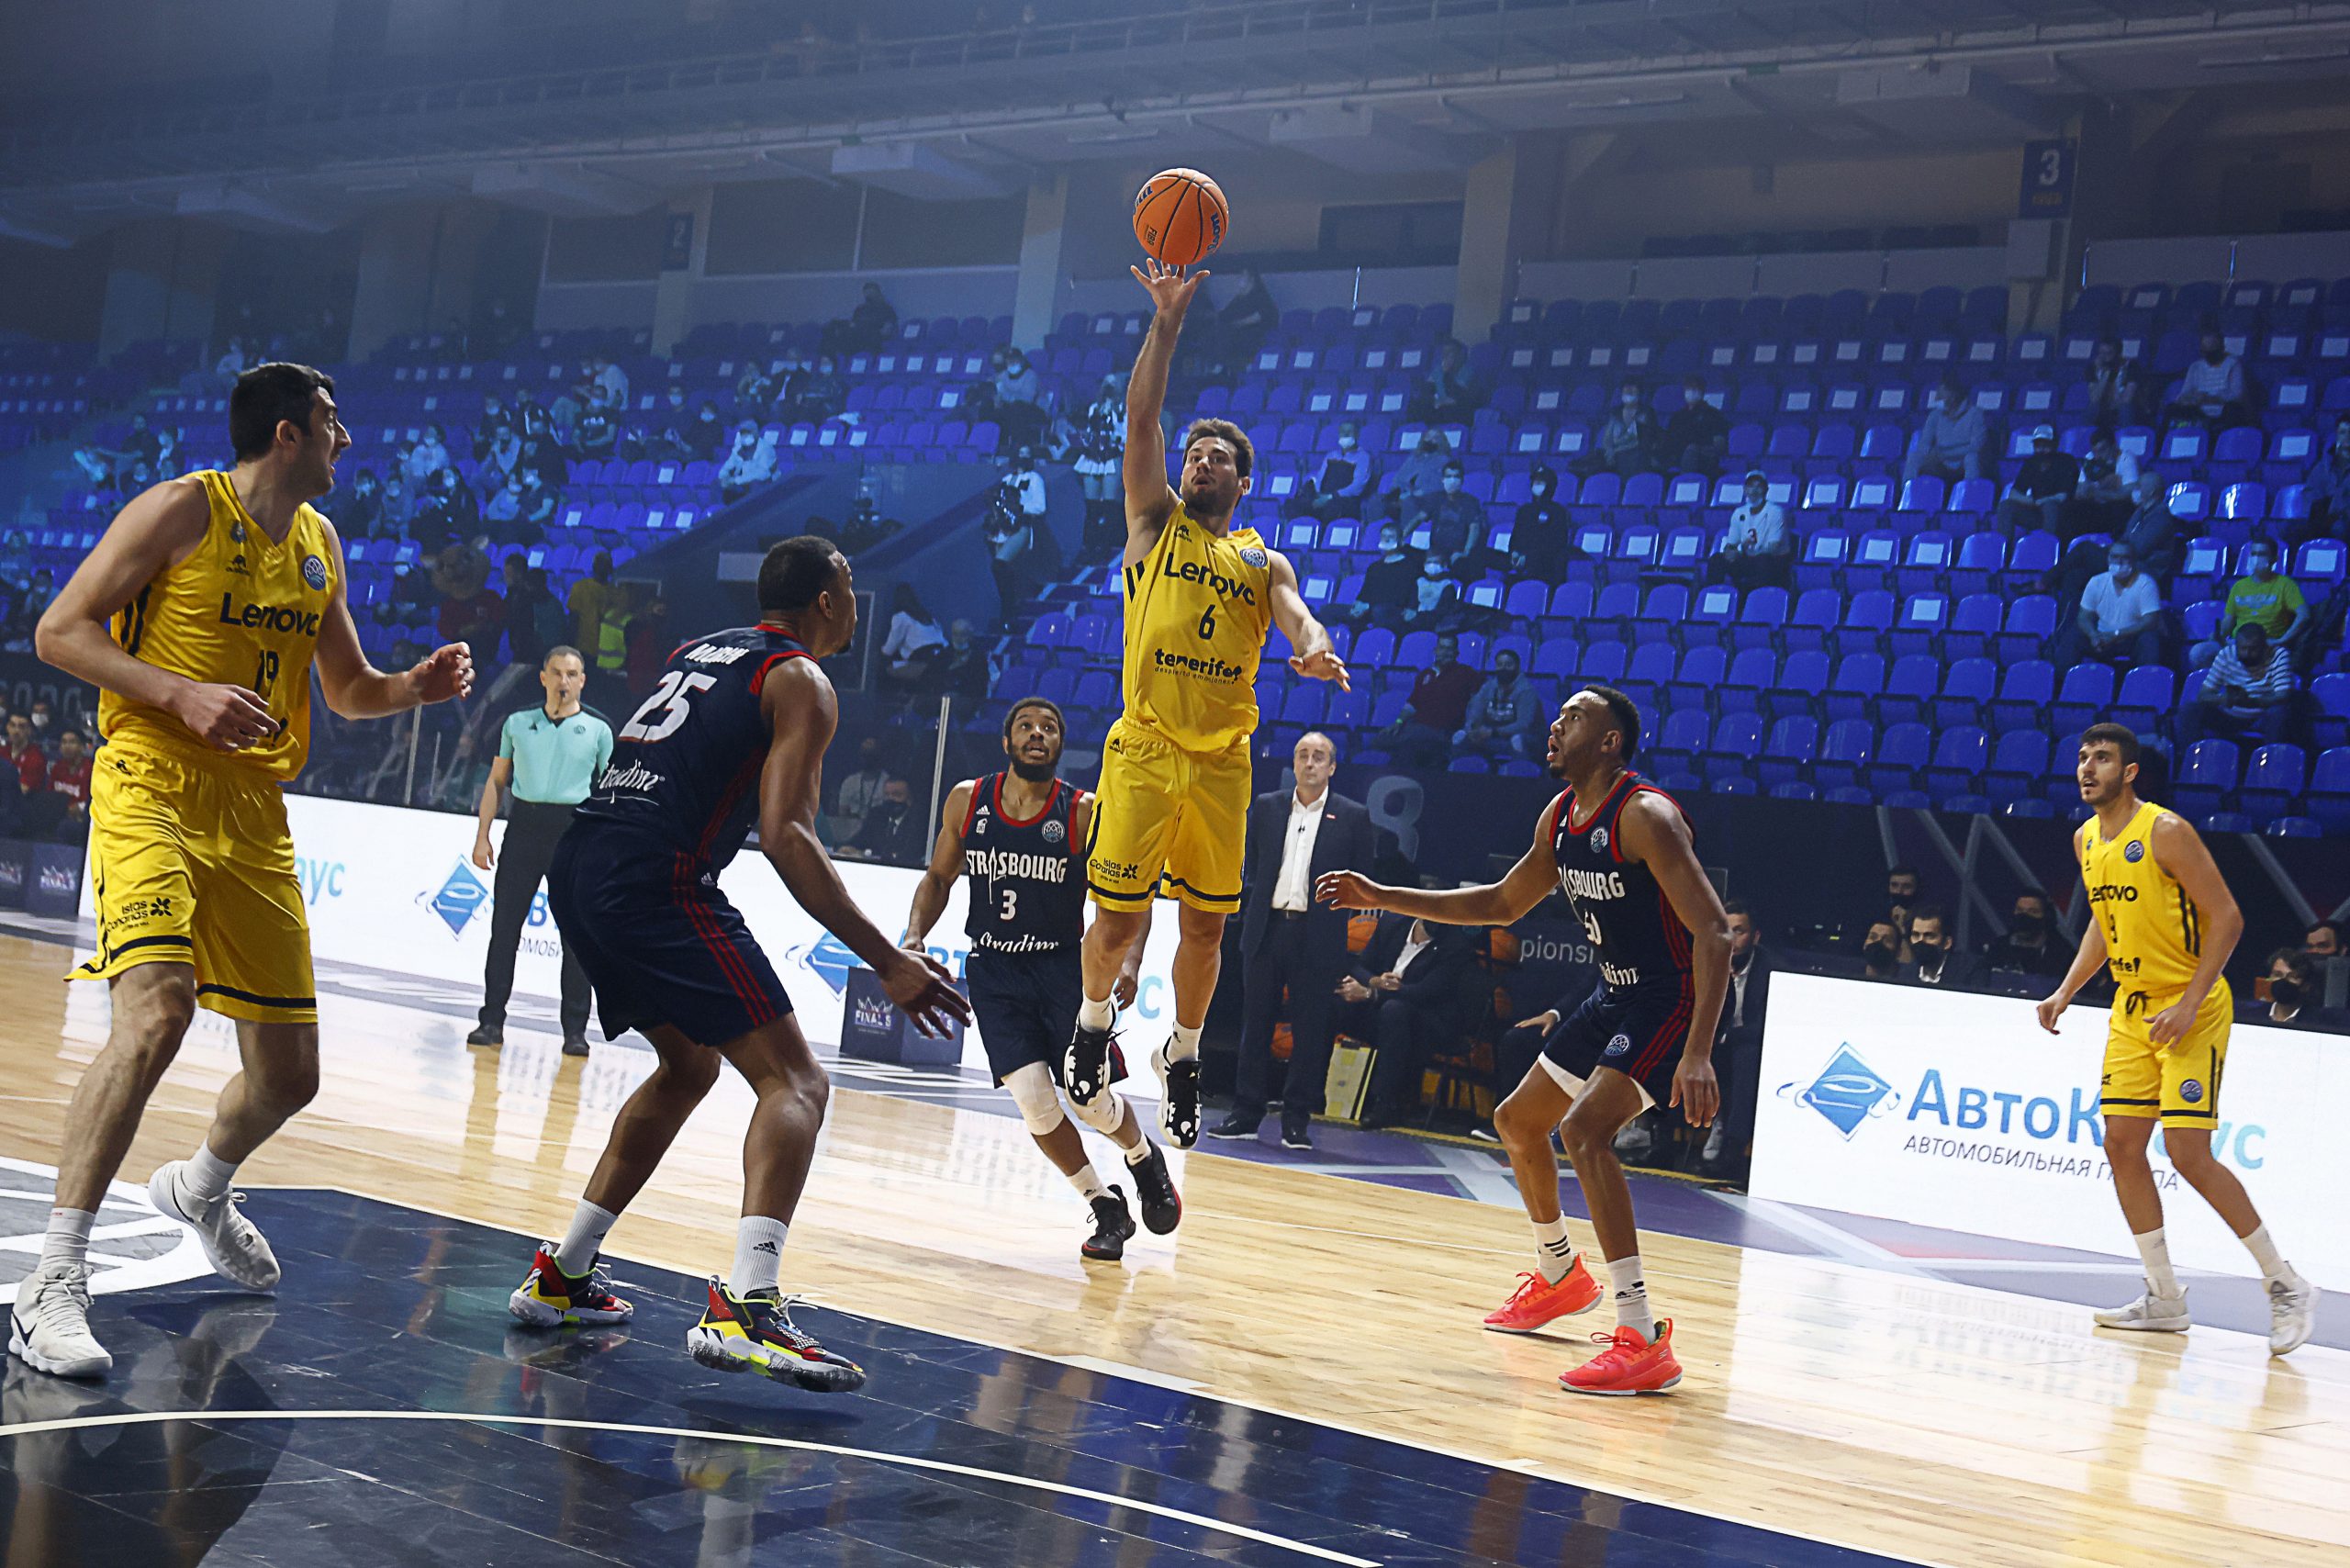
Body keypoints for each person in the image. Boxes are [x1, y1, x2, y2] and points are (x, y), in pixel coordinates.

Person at [18, 362, 474, 1380]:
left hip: (253, 807)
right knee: (157, 1010)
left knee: (289, 1076)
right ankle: (54, 1279)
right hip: (150, 775)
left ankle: (200, 1187)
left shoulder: (319, 544)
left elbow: (348, 691)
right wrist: (177, 694)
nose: (345, 438)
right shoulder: (181, 509)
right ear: (285, 434)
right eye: (330, 421)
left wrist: (415, 686)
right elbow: (58, 632)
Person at [509, 536, 969, 1388]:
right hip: (656, 877)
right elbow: (787, 836)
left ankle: (563, 1274)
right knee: (797, 1083)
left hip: (582, 861)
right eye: (849, 589)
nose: (855, 605)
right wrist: (888, 960)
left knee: (688, 1067)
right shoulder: (801, 682)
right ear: (828, 601)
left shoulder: (701, 649)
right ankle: (748, 1306)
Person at [1318, 687, 1728, 1394]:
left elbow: (1714, 932)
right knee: (1517, 1121)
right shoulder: (1560, 816)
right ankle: (1560, 1272)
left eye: (1574, 718)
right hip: (1615, 992)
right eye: (1558, 716)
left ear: (1610, 742)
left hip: (1669, 996)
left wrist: (1697, 1052)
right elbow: (1500, 903)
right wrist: (1382, 895)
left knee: (1586, 1131)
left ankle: (1641, 1334)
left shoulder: (1645, 816)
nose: (1556, 725)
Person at [1062, 257, 1348, 1151]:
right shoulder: (1152, 522)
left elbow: (1296, 614)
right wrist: (1167, 321)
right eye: (1194, 453)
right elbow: (1141, 416)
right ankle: (1091, 1026)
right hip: (1146, 747)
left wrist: (1312, 646)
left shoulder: (1262, 561)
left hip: (1223, 761)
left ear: (1242, 482)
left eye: (1218, 457)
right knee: (1117, 919)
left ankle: (1182, 1055)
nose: (1200, 461)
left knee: (1206, 925)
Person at [2036, 723, 2315, 1355]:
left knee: (2188, 1152)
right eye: (2082, 758)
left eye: (2102, 759)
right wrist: (2066, 990)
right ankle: (2164, 1296)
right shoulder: (2086, 838)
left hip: (2192, 1005)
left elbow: (2228, 917)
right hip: (2133, 1009)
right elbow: (2105, 925)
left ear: (2129, 771)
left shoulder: (2165, 831)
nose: (2087, 769)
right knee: (2121, 1143)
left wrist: (2189, 1004)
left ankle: (2286, 1283)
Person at [901, 698, 1179, 1260]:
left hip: (1062, 971)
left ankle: (1144, 1158)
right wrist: (913, 937)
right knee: (1033, 1101)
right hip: (994, 970)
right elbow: (938, 878)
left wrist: (1128, 961)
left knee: (1091, 1101)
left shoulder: (1082, 811)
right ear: (1007, 741)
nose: (1036, 733)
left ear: (1059, 745)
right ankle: (1104, 1204)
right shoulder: (967, 800)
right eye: (1025, 726)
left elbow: (1129, 897)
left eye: (1048, 728)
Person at [1210, 732, 1377, 1150]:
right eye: (1303, 755)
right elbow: (1252, 865)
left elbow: (1362, 881)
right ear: (1295, 763)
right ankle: (1245, 1113)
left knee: (1310, 1032)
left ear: (1332, 767)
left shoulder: (1353, 816)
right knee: (1255, 1025)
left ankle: (1296, 1121)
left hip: (1317, 935)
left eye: (1319, 756)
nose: (1310, 763)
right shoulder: (1268, 806)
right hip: (1267, 928)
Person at [467, 648, 613, 1058]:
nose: (564, 680)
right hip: (524, 828)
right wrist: (483, 835)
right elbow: (497, 780)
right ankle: (491, 1021)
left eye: (572, 674)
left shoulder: (599, 729)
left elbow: (610, 794)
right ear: (543, 677)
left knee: (576, 938)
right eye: (557, 672)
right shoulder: (517, 723)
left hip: (573, 833)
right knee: (504, 929)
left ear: (582, 680)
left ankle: (575, 1031)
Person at [1702, 899, 1772, 1182]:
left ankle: (1733, 1147)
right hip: (1711, 1042)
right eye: (1726, 931)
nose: (1732, 939)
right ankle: (1655, 1136)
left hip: (1748, 1044)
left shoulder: (1770, 969)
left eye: (1739, 931)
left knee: (1746, 1054)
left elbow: (1765, 1027)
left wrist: (1728, 1037)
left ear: (1755, 936)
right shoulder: (1706, 961)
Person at [2178, 622, 2298, 750]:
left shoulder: (2278, 655)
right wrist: (2224, 699)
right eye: (2243, 649)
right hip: (2229, 714)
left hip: (2261, 715)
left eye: (2253, 649)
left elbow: (2283, 696)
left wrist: (2252, 702)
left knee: (2279, 712)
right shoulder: (2226, 654)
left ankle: (2273, 758)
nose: (2247, 653)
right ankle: (2191, 756)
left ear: (2264, 646)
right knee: (2189, 709)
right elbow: (2204, 695)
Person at [2198, 539, 2309, 668]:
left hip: (2267, 643)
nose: (2256, 558)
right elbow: (2229, 619)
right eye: (2254, 554)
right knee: (2200, 652)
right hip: (2237, 643)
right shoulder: (2239, 586)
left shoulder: (2286, 585)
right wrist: (2218, 635)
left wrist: (2283, 640)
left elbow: (2304, 615)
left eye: (2262, 554)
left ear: (2274, 559)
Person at [1380, 632, 1480, 767]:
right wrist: (1398, 722)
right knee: (1380, 740)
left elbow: (1477, 704)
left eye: (1449, 649)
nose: (1445, 653)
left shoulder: (1467, 674)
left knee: (1408, 746)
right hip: (1415, 726)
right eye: (1442, 648)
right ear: (1435, 650)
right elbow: (1412, 703)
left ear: (1456, 653)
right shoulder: (1425, 674)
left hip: (1442, 730)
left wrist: (1466, 729)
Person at [2055, 542, 2163, 668]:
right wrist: (2093, 635)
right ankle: (2061, 678)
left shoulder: (2145, 583)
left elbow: (2150, 621)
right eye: (2115, 557)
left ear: (2134, 561)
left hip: (2131, 639)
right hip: (2101, 638)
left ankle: (2146, 679)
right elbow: (2083, 617)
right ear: (2108, 559)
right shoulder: (2096, 582)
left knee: (2149, 639)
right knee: (2073, 636)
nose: (2119, 562)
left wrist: (2116, 635)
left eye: (2125, 557)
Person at [1455, 648, 1544, 761]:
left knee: (1517, 740)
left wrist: (1493, 732)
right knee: (1460, 737)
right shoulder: (1488, 687)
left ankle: (1520, 771)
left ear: (1517, 667)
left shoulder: (1526, 690)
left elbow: (1524, 725)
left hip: (1523, 737)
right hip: (1491, 736)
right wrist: (1472, 729)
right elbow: (1475, 712)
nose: (1503, 668)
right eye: (1500, 665)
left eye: (1508, 665)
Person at [1712, 470, 1791, 592]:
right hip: (1750, 559)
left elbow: (1773, 548)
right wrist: (1730, 552)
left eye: (1758, 487)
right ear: (1745, 490)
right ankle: (1715, 596)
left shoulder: (1776, 512)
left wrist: (1743, 554)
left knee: (1763, 560)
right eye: (1750, 487)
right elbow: (1731, 543)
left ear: (1766, 490)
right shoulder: (1739, 512)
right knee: (1717, 559)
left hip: (1773, 561)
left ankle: (1758, 597)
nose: (1754, 491)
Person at [1072, 375, 1125, 554]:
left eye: (1113, 384)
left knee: (1110, 505)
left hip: (1111, 455)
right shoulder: (1094, 408)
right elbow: (1090, 429)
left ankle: (1106, 546)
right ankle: (1089, 545)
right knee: (1092, 505)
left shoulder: (1123, 410)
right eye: (1107, 383)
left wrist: (1116, 438)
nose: (1110, 387)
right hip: (1093, 457)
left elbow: (1126, 433)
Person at [1998, 426, 2079, 537]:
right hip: (2037, 511)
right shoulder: (2031, 463)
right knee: (2006, 506)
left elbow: (2063, 496)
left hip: (2062, 513)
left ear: (2055, 445)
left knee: (2049, 506)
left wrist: (2042, 501)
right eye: (2038, 446)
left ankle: (2048, 545)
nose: (2041, 450)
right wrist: (2031, 501)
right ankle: (2005, 547)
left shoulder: (2066, 461)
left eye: (2046, 445)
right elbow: (2014, 493)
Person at [2164, 326, 2248, 431]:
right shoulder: (2195, 366)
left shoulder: (2233, 364)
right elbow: (2183, 394)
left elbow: (2237, 395)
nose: (2209, 354)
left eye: (2212, 349)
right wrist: (2194, 398)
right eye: (2205, 350)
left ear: (2221, 347)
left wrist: (2211, 398)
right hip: (2198, 408)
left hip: (2222, 408)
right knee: (2172, 409)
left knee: (2233, 409)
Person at [2243, 947, 2348, 1032]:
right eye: (2277, 974)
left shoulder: (2323, 1022)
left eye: (2292, 976)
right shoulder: (2250, 1017)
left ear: (2306, 986)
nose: (2283, 981)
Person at [1902, 378, 1985, 485]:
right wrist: (1928, 453)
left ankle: (1969, 491)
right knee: (1914, 457)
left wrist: (1945, 454)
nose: (1937, 399)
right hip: (1940, 461)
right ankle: (1908, 491)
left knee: (1972, 458)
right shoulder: (1934, 415)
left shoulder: (1976, 414)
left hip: (1962, 459)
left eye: (1941, 396)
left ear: (1953, 397)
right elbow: (1924, 443)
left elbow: (1976, 446)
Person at [1289, 421, 1375, 522]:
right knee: (1294, 504)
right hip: (1323, 496)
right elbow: (1320, 478)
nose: (1346, 434)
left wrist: (1330, 497)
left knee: (1331, 508)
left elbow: (1357, 487)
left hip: (1345, 500)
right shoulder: (1331, 455)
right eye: (1343, 432)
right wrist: (1318, 495)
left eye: (1349, 432)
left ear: (1357, 435)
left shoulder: (1363, 457)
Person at [2065, 431, 2141, 541]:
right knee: (2071, 508)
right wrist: (2100, 487)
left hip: (2116, 507)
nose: (2098, 456)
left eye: (2103, 450)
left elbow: (2127, 493)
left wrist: (2096, 491)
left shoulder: (2126, 459)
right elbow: (2079, 491)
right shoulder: (2090, 458)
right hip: (2096, 506)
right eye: (2095, 451)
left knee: (2120, 509)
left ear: (2113, 447)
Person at [1573, 381, 1657, 480]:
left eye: (1633, 392)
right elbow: (1607, 438)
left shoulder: (1646, 413)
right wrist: (1609, 452)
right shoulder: (1615, 413)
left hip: (1635, 455)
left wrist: (1616, 450)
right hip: (1615, 455)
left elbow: (1636, 439)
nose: (1629, 395)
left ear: (1640, 394)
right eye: (1626, 392)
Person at [1509, 465, 1576, 581]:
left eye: (1540, 482)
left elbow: (1555, 545)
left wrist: (1528, 558)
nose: (1536, 485)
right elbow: (1515, 537)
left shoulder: (1558, 512)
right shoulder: (1524, 510)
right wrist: (1514, 553)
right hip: (1521, 564)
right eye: (1535, 482)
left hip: (1545, 567)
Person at [1983, 889, 2068, 979]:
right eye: (2020, 910)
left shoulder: (2062, 954)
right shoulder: (1998, 947)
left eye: (2033, 912)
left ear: (2046, 917)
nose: (2024, 916)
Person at [878, 584, 946, 692]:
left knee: (884, 668)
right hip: (941, 662)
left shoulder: (901, 617)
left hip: (920, 664)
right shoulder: (929, 618)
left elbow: (889, 649)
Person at [1899, 906, 1983, 990]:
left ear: (1947, 943)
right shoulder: (1904, 974)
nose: (1920, 941)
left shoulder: (1969, 971)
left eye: (1929, 936)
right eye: (1916, 935)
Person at [1659, 378, 1729, 475]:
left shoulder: (1713, 414)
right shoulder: (1677, 416)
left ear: (1702, 392)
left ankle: (1687, 480)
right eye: (1688, 389)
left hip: (1702, 455)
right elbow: (1670, 439)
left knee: (1691, 450)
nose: (1691, 392)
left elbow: (1718, 441)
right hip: (1677, 454)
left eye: (1695, 389)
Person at [2299, 417, 2350, 542]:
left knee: (2339, 529)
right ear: (2337, 436)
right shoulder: (2323, 466)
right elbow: (2310, 493)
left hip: (2345, 519)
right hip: (2324, 518)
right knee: (2293, 530)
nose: (2347, 437)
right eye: (2343, 432)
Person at [2084, 337, 2142, 430]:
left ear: (2118, 354)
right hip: (2104, 409)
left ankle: (2126, 436)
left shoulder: (2131, 366)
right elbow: (2094, 398)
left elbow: (2127, 399)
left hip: (2123, 408)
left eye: (2108, 354)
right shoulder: (2092, 368)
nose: (2104, 357)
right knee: (2092, 408)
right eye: (2101, 353)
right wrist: (2106, 373)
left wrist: (2113, 402)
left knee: (2125, 408)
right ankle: (2085, 436)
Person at [568, 550, 615, 654]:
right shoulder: (580, 587)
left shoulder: (614, 592)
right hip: (584, 646)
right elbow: (574, 618)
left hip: (604, 647)